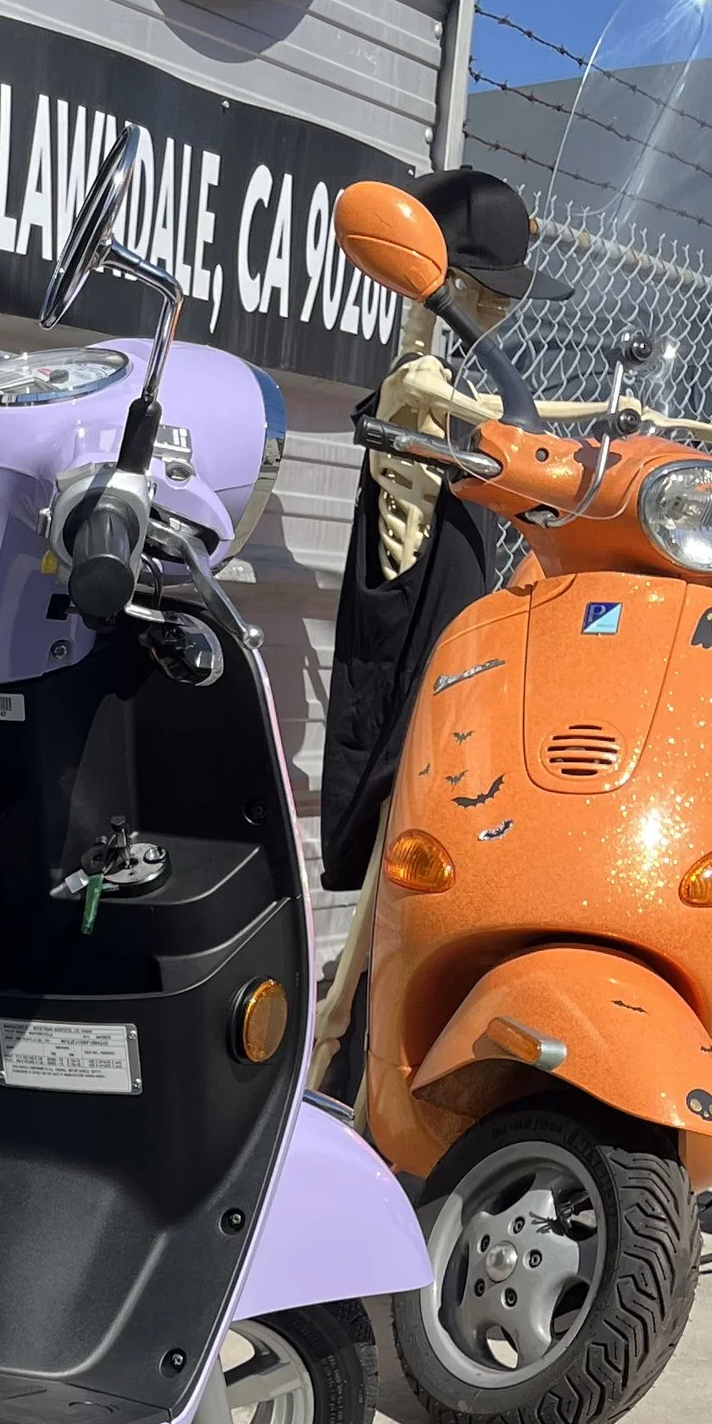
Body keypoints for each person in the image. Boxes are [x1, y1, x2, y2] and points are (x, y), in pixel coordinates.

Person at [309, 167, 568, 1100]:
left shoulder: (476, 404)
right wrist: (543, 435)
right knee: (374, 936)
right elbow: (473, 409)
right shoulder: (423, 385)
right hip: (412, 711)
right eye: (491, 291)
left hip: (472, 704)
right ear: (453, 284)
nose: (502, 310)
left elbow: (517, 423)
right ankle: (332, 1089)